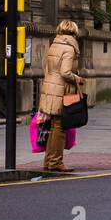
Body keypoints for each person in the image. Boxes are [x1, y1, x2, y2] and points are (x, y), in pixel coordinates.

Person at [39, 20, 84, 172]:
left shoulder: (54, 44)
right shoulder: (70, 48)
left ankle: (49, 160)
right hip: (60, 91)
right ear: (74, 32)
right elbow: (65, 72)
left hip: (50, 89)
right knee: (60, 127)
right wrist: (77, 78)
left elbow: (47, 68)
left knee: (53, 126)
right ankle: (56, 162)